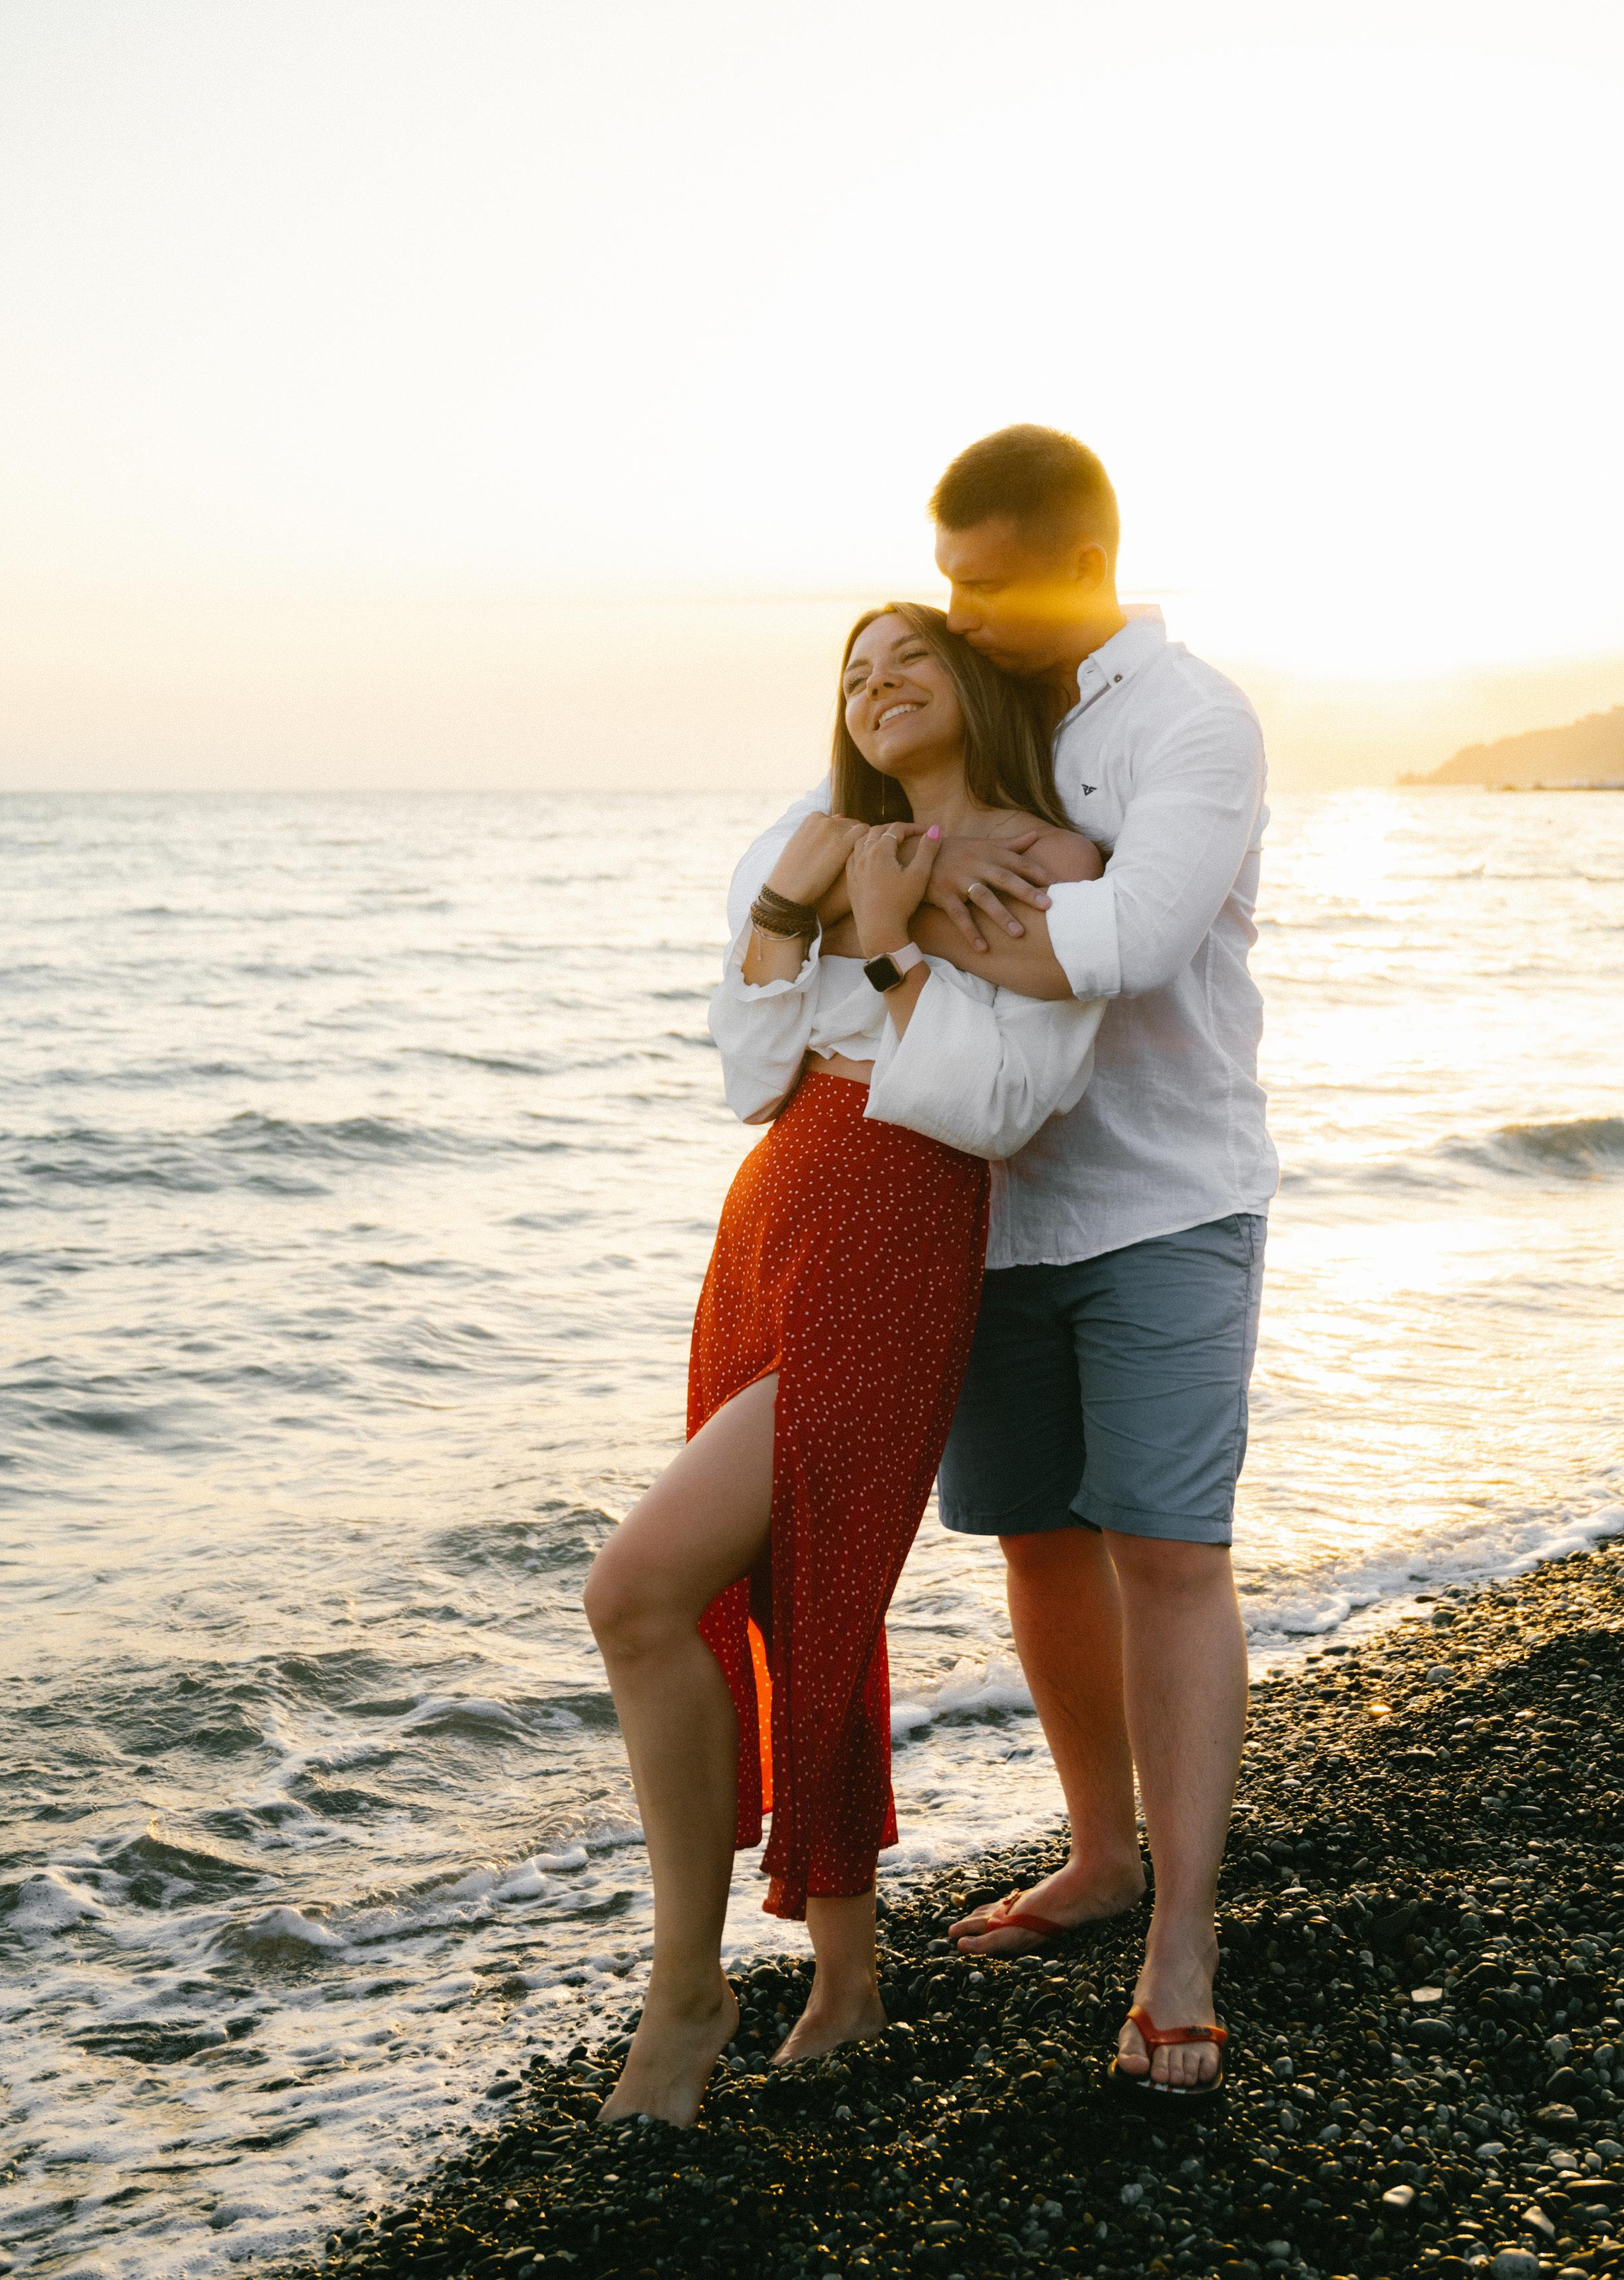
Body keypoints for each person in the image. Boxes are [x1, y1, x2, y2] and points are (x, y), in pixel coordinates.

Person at [730, 425, 1277, 2100]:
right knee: (1036, 1545)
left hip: (1162, 1197)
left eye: (974, 582)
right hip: (983, 1216)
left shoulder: (1189, 720)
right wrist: (911, 872)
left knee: (1166, 1554)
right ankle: (1098, 1854)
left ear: (1065, 564)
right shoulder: (999, 710)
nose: (949, 613)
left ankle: (1179, 1937)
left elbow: (1109, 941)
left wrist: (926, 903)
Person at [584, 602, 1107, 2127]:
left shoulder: (1048, 860)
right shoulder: (804, 832)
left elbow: (995, 1108)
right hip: (773, 1211)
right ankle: (844, 1976)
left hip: (896, 1221)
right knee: (787, 1592)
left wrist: (881, 942)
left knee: (638, 1591)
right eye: (851, 671)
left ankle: (687, 1986)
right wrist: (781, 912)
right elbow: (752, 1079)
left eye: (908, 662)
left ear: (974, 686)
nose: (874, 688)